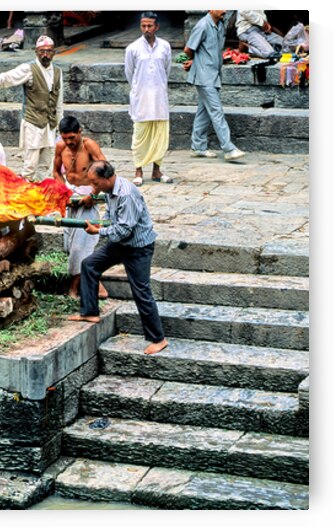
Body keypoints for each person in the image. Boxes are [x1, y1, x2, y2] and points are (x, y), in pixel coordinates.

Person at [68, 160, 168, 355]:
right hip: (120, 243)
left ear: (108, 178)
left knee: (141, 290)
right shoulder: (109, 189)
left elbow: (124, 229)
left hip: (138, 246)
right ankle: (90, 312)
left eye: (96, 183)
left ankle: (159, 338)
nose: (94, 187)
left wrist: (98, 231)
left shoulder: (126, 194)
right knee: (89, 264)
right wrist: (91, 195)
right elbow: (118, 227)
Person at [0, 35, 63, 181]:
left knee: (46, 163)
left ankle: (40, 192)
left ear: (54, 52)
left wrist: (60, 124)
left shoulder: (58, 72)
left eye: (48, 51)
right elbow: (5, 78)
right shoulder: (28, 69)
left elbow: (59, 101)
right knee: (30, 164)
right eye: (42, 52)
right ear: (36, 52)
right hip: (34, 123)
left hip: (50, 124)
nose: (45, 55)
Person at [52, 116, 108, 300]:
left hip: (88, 199)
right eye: (65, 138)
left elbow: (106, 169)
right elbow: (55, 172)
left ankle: (74, 289)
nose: (69, 142)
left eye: (72, 138)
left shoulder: (89, 145)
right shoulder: (60, 147)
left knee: (79, 248)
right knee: (71, 246)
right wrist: (63, 191)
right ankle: (96, 283)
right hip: (71, 199)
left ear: (79, 132)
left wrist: (93, 194)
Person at [183, 10, 245, 162]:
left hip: (214, 74)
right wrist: (196, 61)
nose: (224, 10)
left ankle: (198, 147)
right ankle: (229, 148)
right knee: (216, 111)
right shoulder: (202, 25)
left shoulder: (220, 25)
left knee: (203, 112)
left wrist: (196, 60)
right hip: (204, 77)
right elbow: (188, 49)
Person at [125, 11, 173, 186]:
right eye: (143, 26)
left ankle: (156, 170)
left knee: (160, 135)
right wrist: (141, 88)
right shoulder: (133, 48)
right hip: (141, 99)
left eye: (150, 26)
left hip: (160, 98)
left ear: (157, 27)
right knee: (140, 135)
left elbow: (166, 70)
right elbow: (129, 73)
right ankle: (138, 170)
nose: (146, 29)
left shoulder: (165, 46)